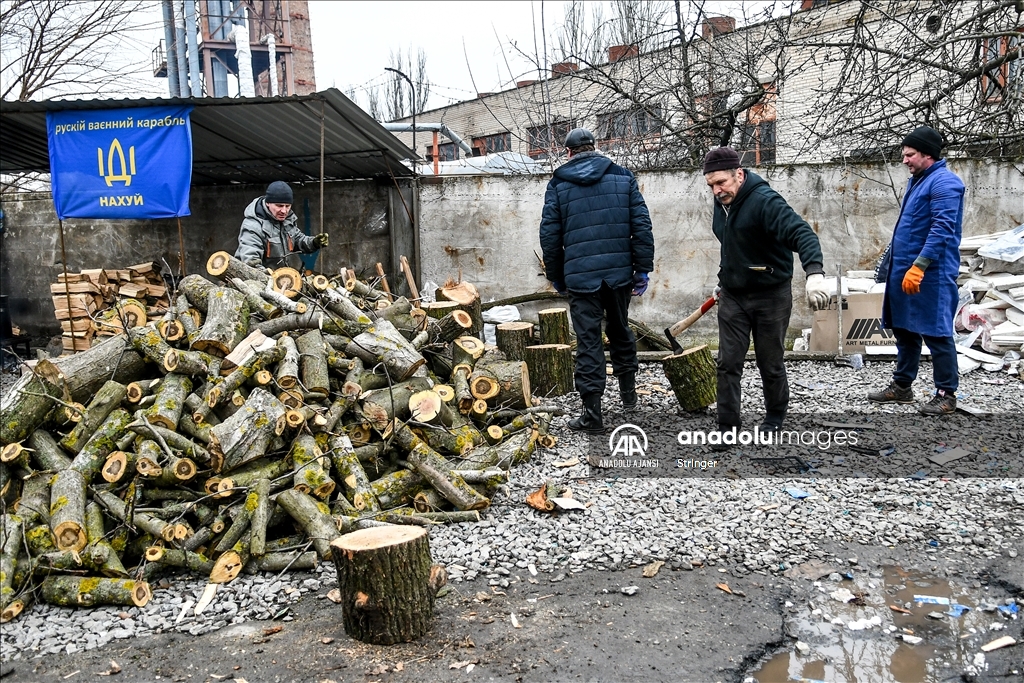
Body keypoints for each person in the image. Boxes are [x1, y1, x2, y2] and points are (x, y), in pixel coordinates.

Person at [702, 147, 829, 439]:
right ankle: (727, 427)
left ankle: (774, 416)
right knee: (727, 363)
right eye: (711, 185)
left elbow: (802, 234)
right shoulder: (723, 203)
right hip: (734, 295)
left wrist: (815, 273)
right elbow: (734, 243)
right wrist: (727, 276)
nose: (717, 190)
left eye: (721, 182)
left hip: (770, 295)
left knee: (769, 361)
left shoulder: (765, 201)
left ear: (740, 174)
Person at [539, 128, 655, 433]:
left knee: (588, 341)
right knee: (620, 329)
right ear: (596, 148)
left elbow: (550, 236)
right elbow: (641, 225)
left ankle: (593, 414)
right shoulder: (623, 176)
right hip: (619, 274)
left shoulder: (559, 184)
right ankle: (629, 396)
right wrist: (641, 269)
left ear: (568, 153)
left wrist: (556, 276)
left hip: (580, 277)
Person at [868, 126, 964, 415]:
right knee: (905, 329)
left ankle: (946, 394)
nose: (905, 160)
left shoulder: (945, 183)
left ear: (927, 155)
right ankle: (902, 387)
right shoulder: (919, 180)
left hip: (930, 273)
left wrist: (920, 266)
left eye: (909, 154)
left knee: (936, 332)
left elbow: (942, 228)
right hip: (904, 271)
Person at [235, 181, 328, 270]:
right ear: (267, 203)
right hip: (255, 281)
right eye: (279, 206)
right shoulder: (254, 226)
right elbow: (251, 262)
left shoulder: (287, 221)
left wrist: (314, 243)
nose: (284, 211)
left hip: (280, 278)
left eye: (287, 206)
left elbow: (299, 240)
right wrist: (267, 278)